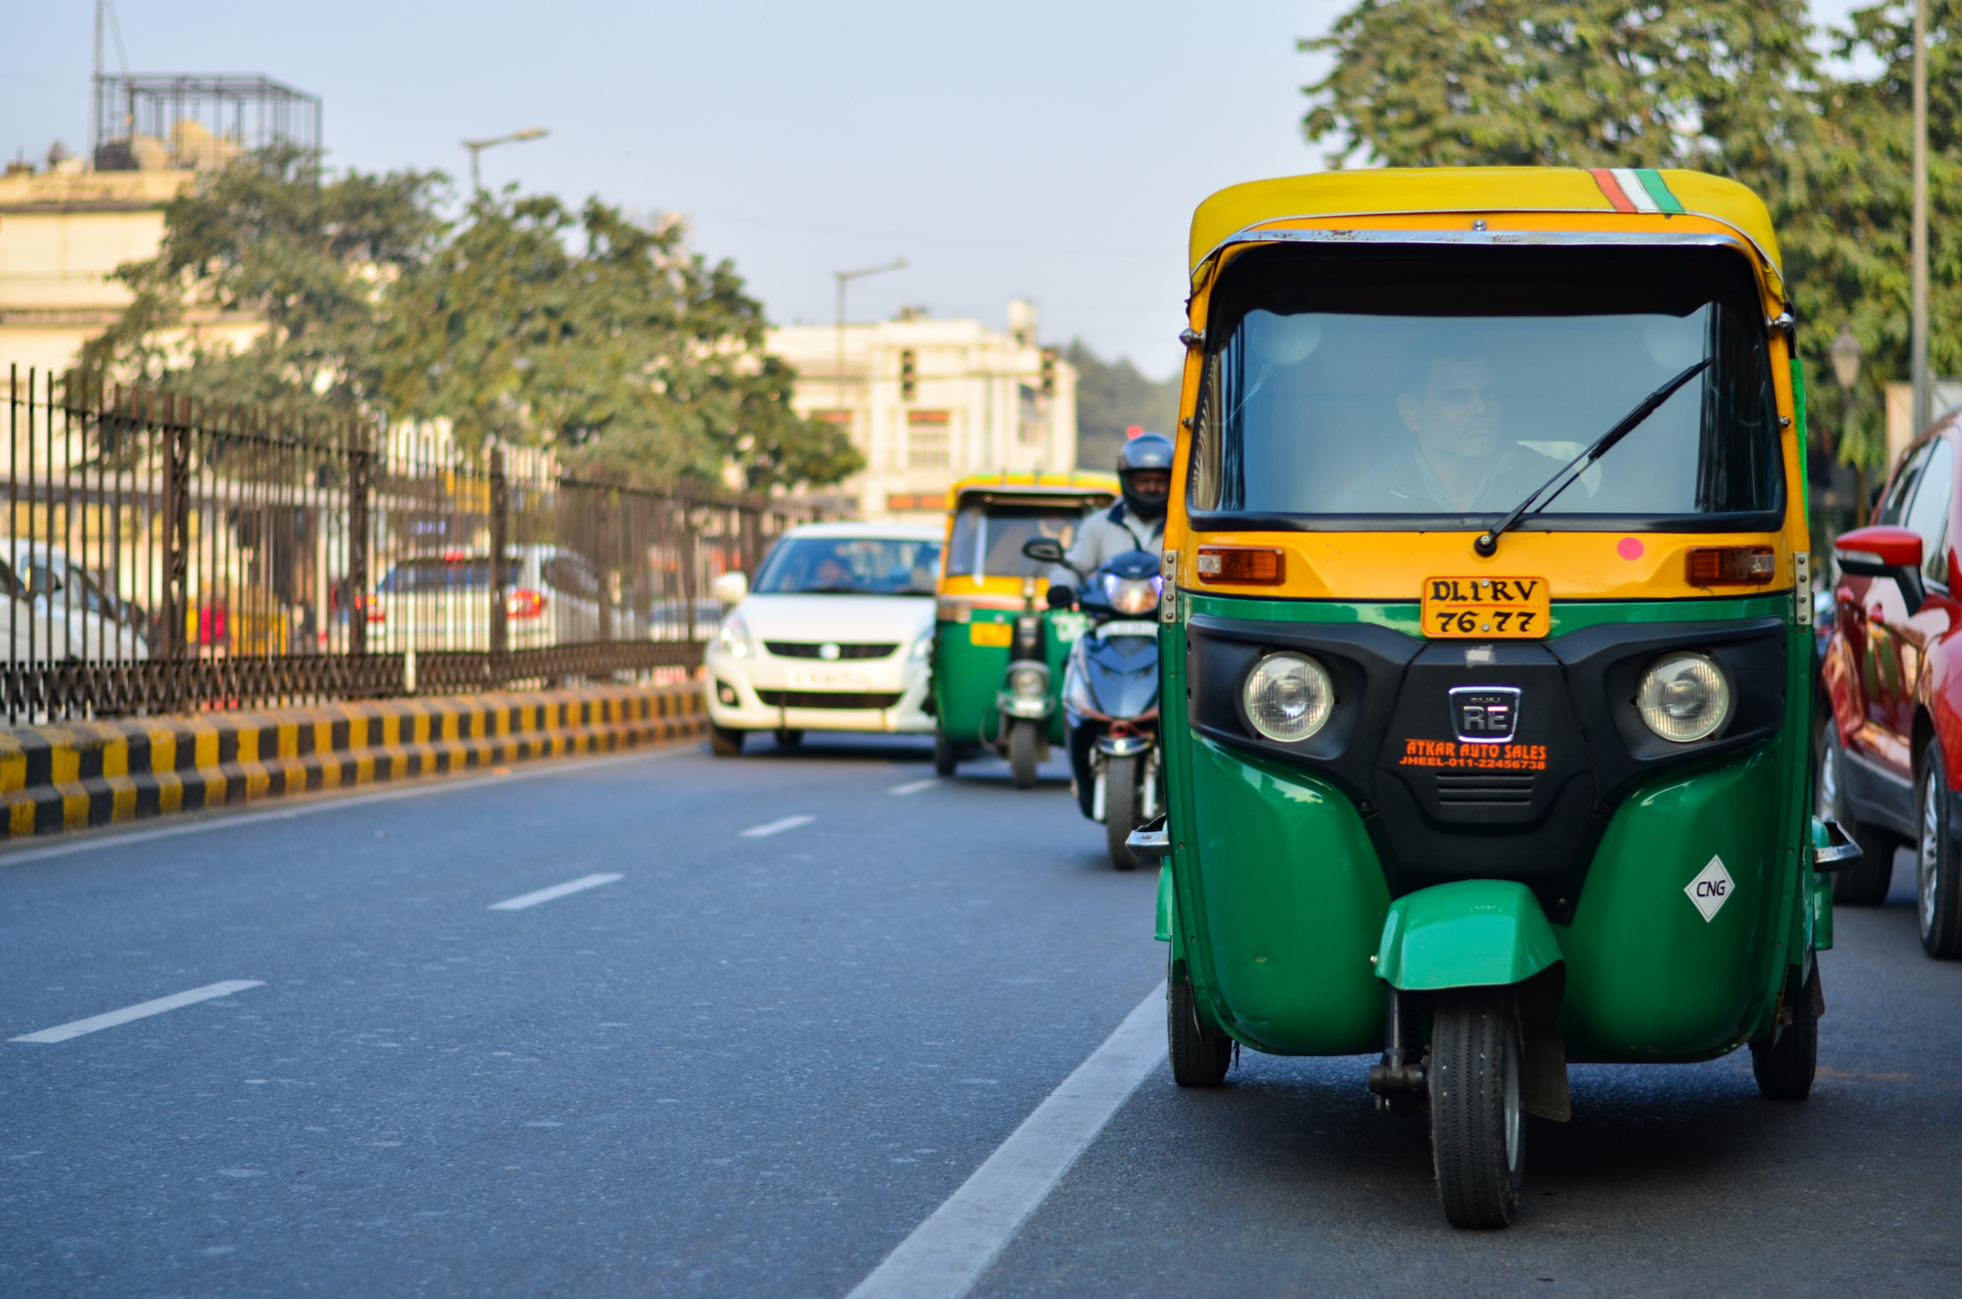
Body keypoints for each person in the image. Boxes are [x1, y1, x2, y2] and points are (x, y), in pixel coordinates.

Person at [1335, 338, 1562, 514]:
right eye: (1458, 397)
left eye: (1488, 393)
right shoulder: (1371, 500)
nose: (1481, 408)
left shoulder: (1551, 483)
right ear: (1411, 412)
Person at [1048, 433, 1171, 608]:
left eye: (1160, 481)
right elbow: (1073, 565)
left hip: (1169, 625)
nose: (1152, 487)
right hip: (1106, 622)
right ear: (1127, 480)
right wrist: (1061, 586)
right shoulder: (1099, 525)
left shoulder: (1186, 529)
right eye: (1144, 480)